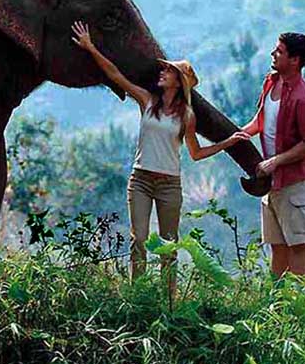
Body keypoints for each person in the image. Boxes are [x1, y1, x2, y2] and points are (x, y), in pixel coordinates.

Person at [70, 21, 249, 288]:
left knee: (169, 246)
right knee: (138, 239)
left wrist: (228, 142)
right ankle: (138, 293)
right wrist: (90, 47)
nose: (163, 71)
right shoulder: (147, 101)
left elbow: (196, 153)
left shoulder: (187, 115)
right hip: (140, 179)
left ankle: (169, 300)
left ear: (180, 82)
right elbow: (116, 75)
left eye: (170, 70)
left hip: (169, 184)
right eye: (165, 68)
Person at [241, 33, 305, 277]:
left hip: (296, 182)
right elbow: (261, 120)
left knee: (298, 244)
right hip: (272, 183)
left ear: (295, 60)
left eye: (279, 51)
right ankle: (276, 302)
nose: (273, 54)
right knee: (277, 245)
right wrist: (239, 135)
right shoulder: (271, 83)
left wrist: (276, 161)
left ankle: (297, 305)